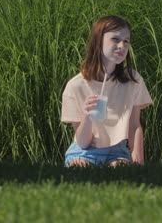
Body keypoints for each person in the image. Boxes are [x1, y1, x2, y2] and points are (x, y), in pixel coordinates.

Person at [61, 15, 152, 167]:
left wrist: (138, 163)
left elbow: (134, 126)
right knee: (80, 167)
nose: (122, 45)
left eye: (126, 41)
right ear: (98, 41)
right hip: (83, 151)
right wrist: (87, 116)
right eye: (115, 39)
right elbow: (83, 143)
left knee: (119, 169)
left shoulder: (133, 80)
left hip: (117, 151)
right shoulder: (76, 86)